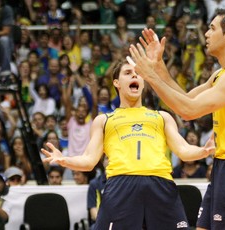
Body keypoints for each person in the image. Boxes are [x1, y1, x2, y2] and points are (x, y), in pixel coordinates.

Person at [129, 8, 225, 229]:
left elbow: (188, 110)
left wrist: (151, 76)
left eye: (212, 28)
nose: (206, 34)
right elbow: (183, 99)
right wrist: (158, 66)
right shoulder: (221, 74)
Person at [42, 60, 215, 229]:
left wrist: (204, 151)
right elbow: (88, 161)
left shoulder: (162, 117)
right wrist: (64, 160)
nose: (135, 75)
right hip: (121, 185)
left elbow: (183, 150)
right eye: (128, 73)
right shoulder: (103, 120)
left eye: (138, 73)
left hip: (160, 183)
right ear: (116, 83)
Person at [0, 0, 14, 83]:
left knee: (4, 40)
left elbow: (6, 31)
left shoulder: (6, 9)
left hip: (4, 43)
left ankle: (5, 73)